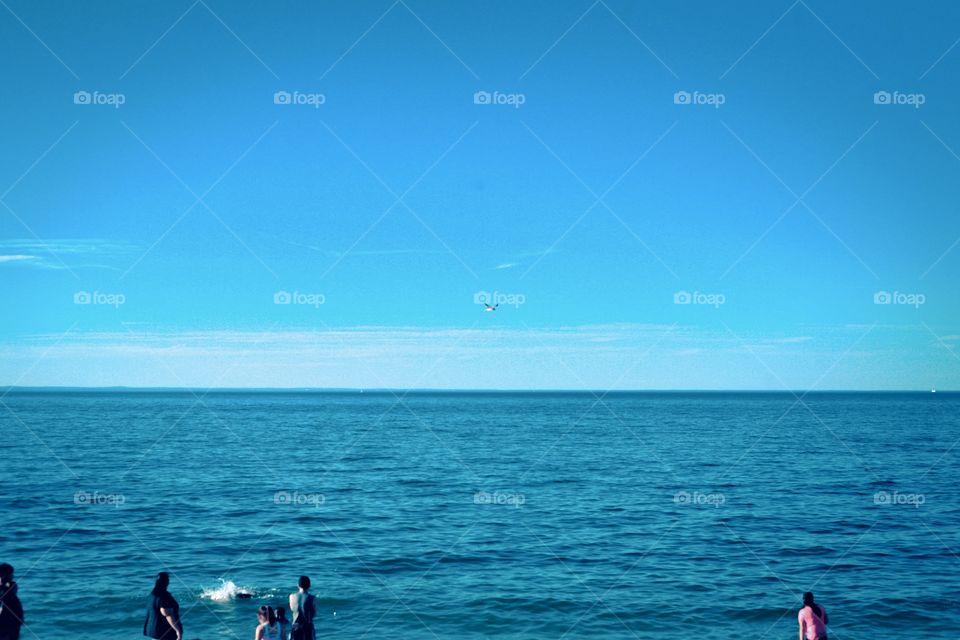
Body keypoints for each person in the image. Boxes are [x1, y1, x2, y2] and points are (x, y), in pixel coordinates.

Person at [143, 572, 182, 640]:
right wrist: (177, 631)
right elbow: (166, 614)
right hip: (164, 632)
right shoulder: (164, 595)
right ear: (167, 582)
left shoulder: (152, 595)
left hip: (153, 630)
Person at [0, 563, 24, 640]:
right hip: (9, 621)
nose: (13, 576)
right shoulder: (9, 586)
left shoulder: (9, 585)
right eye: (11, 574)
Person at [288, 576, 316, 640]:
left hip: (295, 626)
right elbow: (313, 614)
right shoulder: (312, 598)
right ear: (309, 585)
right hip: (307, 626)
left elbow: (292, 609)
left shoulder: (291, 596)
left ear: (298, 585)